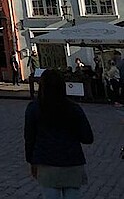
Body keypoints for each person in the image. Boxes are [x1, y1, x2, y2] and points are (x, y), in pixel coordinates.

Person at [25, 68, 94, 197]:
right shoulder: (73, 108)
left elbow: (29, 138)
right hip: (72, 162)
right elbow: (87, 138)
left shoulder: (34, 108)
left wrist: (31, 161)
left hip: (46, 162)